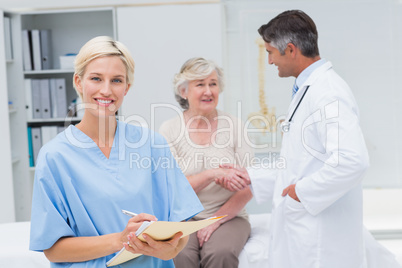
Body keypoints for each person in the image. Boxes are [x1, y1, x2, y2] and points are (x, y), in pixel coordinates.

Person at [29, 36, 204, 268]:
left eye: (117, 80)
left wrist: (168, 249)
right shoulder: (55, 156)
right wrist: (120, 240)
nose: (106, 90)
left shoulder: (153, 145)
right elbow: (53, 250)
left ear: (127, 88)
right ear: (78, 82)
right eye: (96, 78)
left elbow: (180, 231)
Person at [218, 10, 373, 268]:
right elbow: (301, 163)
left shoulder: (327, 93)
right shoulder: (308, 90)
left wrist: (300, 192)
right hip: (306, 232)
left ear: (290, 50)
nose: (268, 61)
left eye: (270, 52)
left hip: (322, 240)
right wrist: (251, 176)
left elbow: (352, 162)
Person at [159, 57, 253, 267]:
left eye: (213, 84)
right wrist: (213, 174)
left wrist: (215, 220)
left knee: (221, 252)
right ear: (184, 91)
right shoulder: (169, 130)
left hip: (229, 216)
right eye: (200, 84)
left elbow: (249, 186)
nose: (208, 91)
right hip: (185, 216)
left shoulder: (236, 127)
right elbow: (172, 189)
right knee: (180, 254)